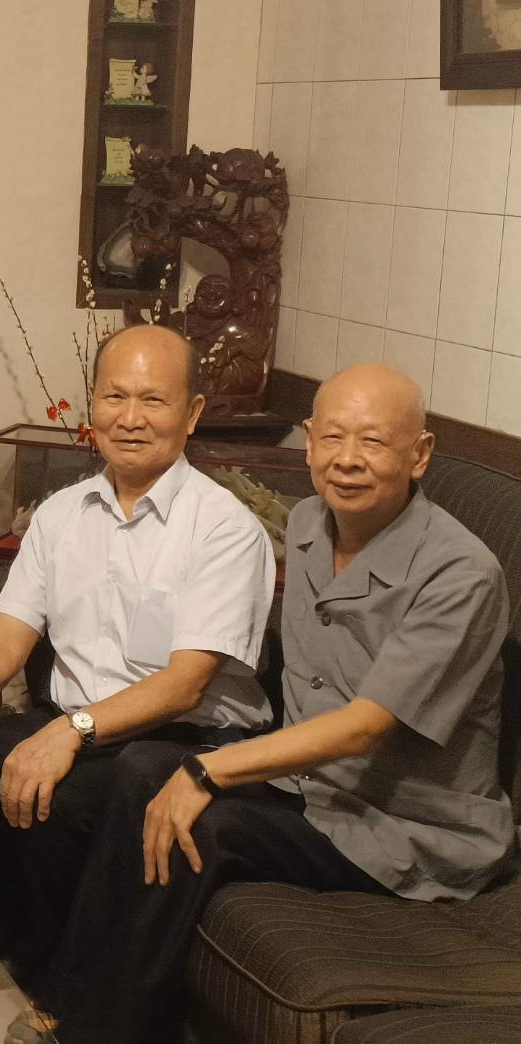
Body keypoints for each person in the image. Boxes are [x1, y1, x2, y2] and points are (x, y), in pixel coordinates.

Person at [46, 364, 516, 1044]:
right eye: (332, 437)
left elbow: (363, 728)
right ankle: (61, 1001)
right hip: (308, 787)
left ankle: (103, 1031)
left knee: (200, 826)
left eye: (372, 442)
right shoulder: (306, 522)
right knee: (138, 767)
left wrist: (208, 768)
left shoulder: (460, 572)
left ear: (419, 454)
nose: (347, 459)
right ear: (308, 440)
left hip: (399, 825)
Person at [0, 324, 276, 979]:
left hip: (184, 742)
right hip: (77, 726)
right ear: (92, 404)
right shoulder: (60, 515)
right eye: (114, 397)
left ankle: (48, 984)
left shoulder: (224, 529)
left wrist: (71, 731)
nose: (129, 418)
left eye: (153, 400)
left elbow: (185, 684)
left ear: (192, 414)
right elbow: (5, 634)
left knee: (58, 795)